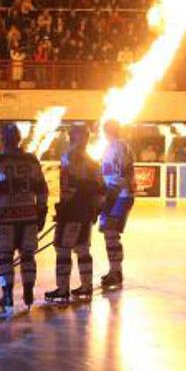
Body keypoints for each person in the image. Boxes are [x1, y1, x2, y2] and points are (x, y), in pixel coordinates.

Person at [0, 122, 47, 312]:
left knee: (5, 257)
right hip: (28, 216)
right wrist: (41, 211)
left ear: (2, 140)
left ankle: (7, 295)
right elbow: (41, 188)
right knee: (28, 256)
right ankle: (28, 291)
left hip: (5, 217)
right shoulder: (32, 160)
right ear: (19, 139)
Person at [45, 123, 105, 303]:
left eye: (72, 135)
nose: (69, 138)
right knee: (82, 249)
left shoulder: (70, 158)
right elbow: (102, 191)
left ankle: (63, 289)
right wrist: (95, 210)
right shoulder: (94, 162)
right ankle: (86, 286)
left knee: (62, 249)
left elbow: (69, 188)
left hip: (72, 212)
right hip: (86, 212)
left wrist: (64, 208)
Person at [98, 120, 135, 290]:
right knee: (109, 233)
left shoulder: (116, 147)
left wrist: (109, 196)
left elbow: (119, 175)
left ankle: (116, 272)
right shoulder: (120, 146)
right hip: (118, 195)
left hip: (118, 196)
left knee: (111, 233)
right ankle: (115, 270)